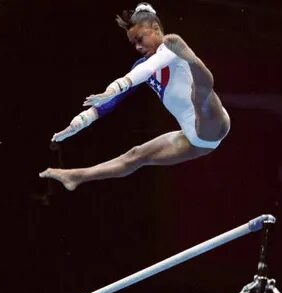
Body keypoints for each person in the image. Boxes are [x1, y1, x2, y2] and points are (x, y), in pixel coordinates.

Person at [39, 2, 230, 191]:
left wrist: (115, 86)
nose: (138, 46)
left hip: (212, 123)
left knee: (200, 94)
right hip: (195, 141)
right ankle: (76, 176)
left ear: (156, 28)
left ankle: (192, 60)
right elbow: (114, 101)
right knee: (136, 155)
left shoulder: (169, 47)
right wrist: (80, 122)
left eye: (140, 39)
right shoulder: (141, 65)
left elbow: (148, 69)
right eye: (134, 43)